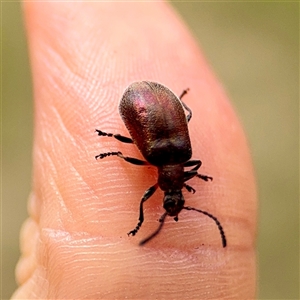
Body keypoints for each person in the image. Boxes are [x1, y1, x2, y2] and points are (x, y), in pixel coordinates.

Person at [12, 2, 257, 299]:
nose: (173, 198)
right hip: (144, 101)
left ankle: (171, 107)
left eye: (171, 197)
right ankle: (138, 126)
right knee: (135, 145)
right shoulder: (172, 157)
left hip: (149, 103)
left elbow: (191, 166)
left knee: (168, 129)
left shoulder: (183, 156)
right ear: (176, 184)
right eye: (175, 196)